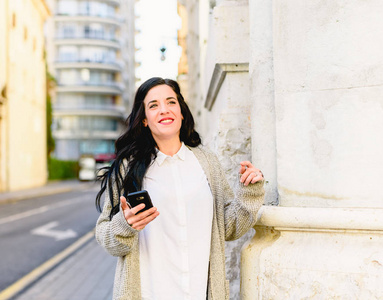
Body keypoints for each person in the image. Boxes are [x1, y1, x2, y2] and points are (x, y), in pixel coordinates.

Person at [95, 77, 265, 300]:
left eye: (171, 102)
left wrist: (249, 191)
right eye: (153, 105)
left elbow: (229, 227)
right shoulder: (128, 168)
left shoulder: (207, 162)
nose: (164, 110)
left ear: (182, 112)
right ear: (144, 119)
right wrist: (125, 225)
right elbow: (105, 235)